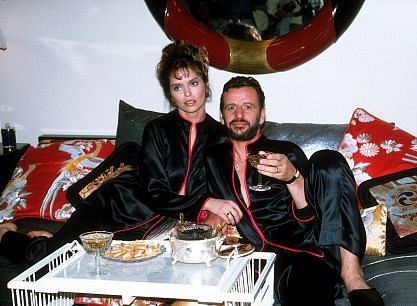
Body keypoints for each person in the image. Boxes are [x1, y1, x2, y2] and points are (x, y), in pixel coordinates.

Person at [0, 41, 241, 305]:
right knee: (50, 263)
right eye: (177, 87)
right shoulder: (157, 129)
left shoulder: (221, 136)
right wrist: (206, 202)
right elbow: (155, 192)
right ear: (170, 94)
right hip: (119, 208)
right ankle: (7, 235)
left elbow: (223, 186)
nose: (188, 94)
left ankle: (54, 238)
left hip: (167, 226)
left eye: (193, 83)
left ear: (205, 83)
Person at [203, 76, 384, 306]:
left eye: (248, 107)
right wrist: (211, 210)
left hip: (307, 248)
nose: (239, 114)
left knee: (327, 160)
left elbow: (310, 215)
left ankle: (352, 276)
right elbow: (195, 201)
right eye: (231, 107)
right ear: (221, 116)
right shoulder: (213, 159)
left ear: (262, 114)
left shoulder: (285, 152)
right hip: (261, 258)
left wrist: (293, 177)